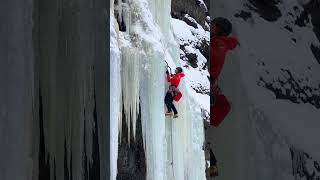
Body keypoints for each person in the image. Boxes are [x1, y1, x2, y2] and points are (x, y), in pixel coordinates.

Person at [210, 17, 239, 127]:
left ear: (219, 30)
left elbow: (215, 56)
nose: (210, 27)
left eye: (213, 26)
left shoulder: (220, 43)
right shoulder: (218, 42)